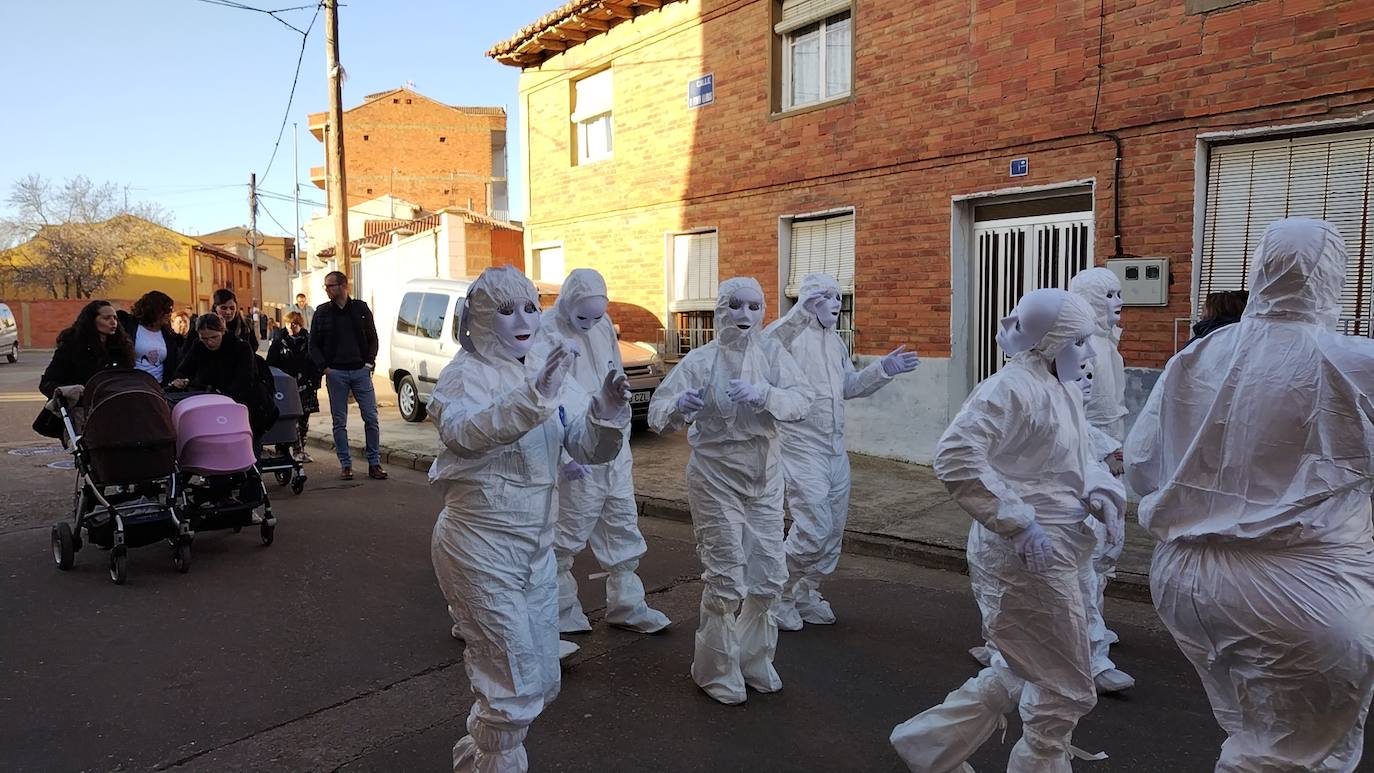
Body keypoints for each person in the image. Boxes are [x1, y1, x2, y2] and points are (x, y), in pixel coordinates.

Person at [1126, 217, 1374, 772]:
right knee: (1295, 754)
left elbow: (1142, 468)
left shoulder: (1197, 356)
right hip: (1301, 588)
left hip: (1186, 581)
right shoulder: (1355, 363)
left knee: (1257, 731)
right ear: (1335, 274)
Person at [890, 287, 1125, 772]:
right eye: (1078, 341)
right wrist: (1018, 523)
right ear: (1052, 340)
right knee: (1066, 682)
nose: (1086, 353)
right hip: (1026, 554)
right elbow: (956, 456)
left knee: (1029, 665)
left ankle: (928, 745)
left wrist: (1100, 493)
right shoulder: (1009, 389)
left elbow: (1075, 458)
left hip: (1061, 545)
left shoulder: (1057, 388)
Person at [428, 266, 631, 773]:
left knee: (541, 679)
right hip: (480, 547)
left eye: (528, 307)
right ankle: (496, 763)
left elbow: (582, 445)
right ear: (477, 319)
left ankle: (479, 757)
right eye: (504, 310)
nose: (522, 320)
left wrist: (604, 412)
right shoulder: (463, 377)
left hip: (535, 552)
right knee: (513, 688)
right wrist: (532, 398)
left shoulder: (544, 366)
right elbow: (465, 432)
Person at [648, 277, 811, 706]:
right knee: (726, 577)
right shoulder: (702, 361)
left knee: (770, 573)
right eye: (736, 306)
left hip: (765, 475)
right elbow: (659, 411)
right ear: (720, 309)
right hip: (716, 476)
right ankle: (715, 668)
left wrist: (765, 394)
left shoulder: (774, 354)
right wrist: (679, 408)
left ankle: (753, 657)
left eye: (755, 307)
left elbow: (802, 401)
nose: (745, 316)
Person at [763, 272, 920, 631]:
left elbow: (848, 386)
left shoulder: (834, 343)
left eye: (839, 296)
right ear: (808, 301)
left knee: (833, 529)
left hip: (834, 449)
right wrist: (797, 314)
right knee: (814, 527)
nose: (837, 302)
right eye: (828, 296)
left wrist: (882, 369)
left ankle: (807, 591)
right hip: (800, 447)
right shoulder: (787, 337)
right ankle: (778, 595)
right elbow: (763, 347)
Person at [528, 268, 671, 636]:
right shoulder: (546, 333)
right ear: (566, 304)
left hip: (614, 443)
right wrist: (565, 456)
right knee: (568, 530)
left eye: (596, 315)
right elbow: (547, 398)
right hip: (577, 447)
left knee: (621, 521)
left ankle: (628, 604)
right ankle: (560, 613)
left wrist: (619, 397)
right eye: (583, 317)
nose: (590, 324)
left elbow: (611, 368)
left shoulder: (603, 325)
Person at [309, 270, 384, 481]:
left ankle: (374, 463)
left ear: (343, 286)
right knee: (339, 421)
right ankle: (346, 465)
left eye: (330, 285)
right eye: (325, 286)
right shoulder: (322, 312)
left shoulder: (360, 309)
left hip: (360, 370)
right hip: (336, 373)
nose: (327, 290)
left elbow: (373, 337)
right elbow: (313, 344)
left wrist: (369, 363)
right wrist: (324, 368)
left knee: (371, 417)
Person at [32, 300, 134, 438]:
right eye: (106, 318)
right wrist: (69, 390)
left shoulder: (120, 349)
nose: (113, 322)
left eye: (115, 318)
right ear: (92, 320)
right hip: (81, 411)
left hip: (115, 409)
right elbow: (47, 383)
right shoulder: (72, 348)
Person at [171, 314, 278, 437]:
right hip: (211, 404)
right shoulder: (199, 346)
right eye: (204, 338)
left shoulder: (240, 347)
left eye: (214, 337)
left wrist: (223, 397)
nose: (210, 342)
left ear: (222, 332)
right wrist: (179, 380)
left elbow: (245, 380)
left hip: (245, 406)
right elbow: (184, 369)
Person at [266, 311, 320, 461]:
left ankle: (300, 450)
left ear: (300, 325)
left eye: (294, 323)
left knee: (302, 422)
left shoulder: (308, 341)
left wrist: (313, 382)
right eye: (288, 323)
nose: (291, 326)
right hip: (284, 388)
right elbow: (270, 365)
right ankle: (282, 450)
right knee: (286, 419)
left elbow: (315, 363)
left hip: (305, 387)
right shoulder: (279, 342)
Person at [117, 290, 182, 387]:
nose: (169, 314)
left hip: (159, 387)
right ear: (154, 310)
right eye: (167, 310)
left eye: (171, 310)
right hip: (133, 385)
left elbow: (172, 363)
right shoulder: (130, 327)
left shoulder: (168, 335)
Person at [210, 288, 259, 353]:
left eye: (232, 308)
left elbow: (253, 346)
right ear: (215, 308)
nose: (228, 312)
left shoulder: (246, 324)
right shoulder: (205, 325)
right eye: (223, 308)